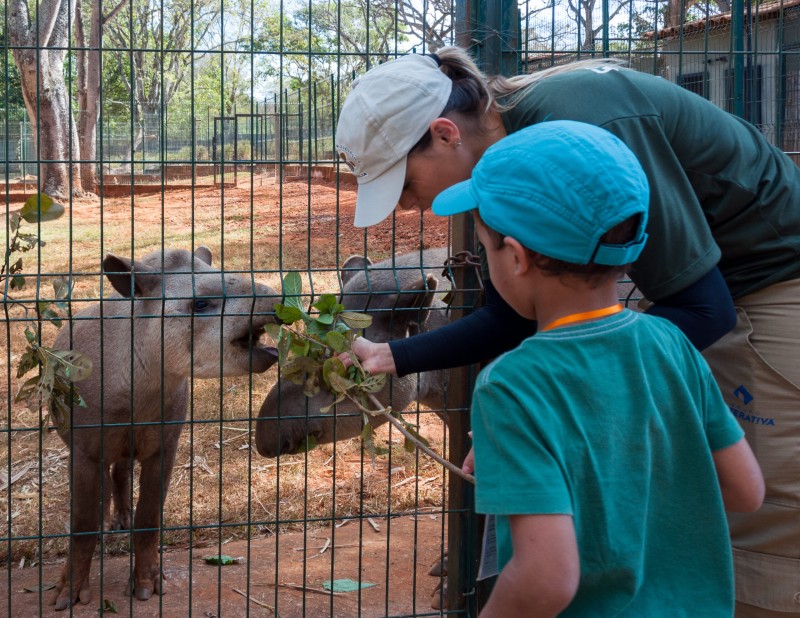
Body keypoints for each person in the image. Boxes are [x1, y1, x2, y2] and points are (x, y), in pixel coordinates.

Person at [335, 48, 800, 617]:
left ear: (444, 133)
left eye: (405, 183)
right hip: (707, 290)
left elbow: (704, 311)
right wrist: (393, 355)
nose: (410, 205)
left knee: (763, 543)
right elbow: (514, 312)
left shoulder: (580, 127)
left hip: (771, 284)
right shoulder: (521, 162)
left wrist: (542, 411)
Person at [432, 119, 765, 616]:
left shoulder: (511, 384)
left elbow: (546, 578)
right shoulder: (671, 343)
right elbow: (745, 491)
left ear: (517, 257)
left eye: (484, 246)